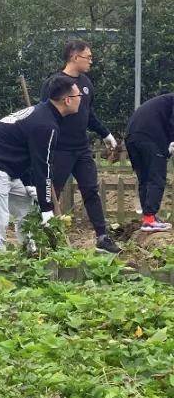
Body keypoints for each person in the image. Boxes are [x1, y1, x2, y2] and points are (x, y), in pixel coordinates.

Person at [0, 74, 81, 249]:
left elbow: (28, 154)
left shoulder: (44, 115)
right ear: (67, 100)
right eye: (78, 95)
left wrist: (29, 185)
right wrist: (47, 208)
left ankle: (30, 252)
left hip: (6, 167)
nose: (81, 99)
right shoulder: (46, 125)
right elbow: (43, 166)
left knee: (27, 210)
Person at [40, 40, 121, 253]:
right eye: (88, 57)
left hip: (82, 148)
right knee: (52, 192)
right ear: (75, 57)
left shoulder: (86, 83)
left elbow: (88, 114)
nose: (91, 61)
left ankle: (102, 237)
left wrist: (106, 133)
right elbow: (44, 113)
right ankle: (46, 238)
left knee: (91, 190)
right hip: (60, 149)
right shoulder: (54, 83)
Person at [125, 91, 174, 231]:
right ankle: (150, 219)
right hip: (150, 136)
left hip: (132, 136)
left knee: (145, 178)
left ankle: (148, 218)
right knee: (156, 177)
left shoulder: (166, 101)